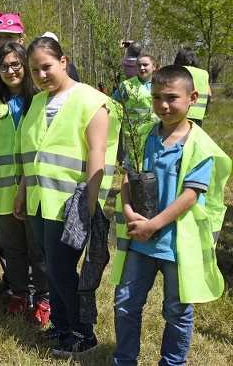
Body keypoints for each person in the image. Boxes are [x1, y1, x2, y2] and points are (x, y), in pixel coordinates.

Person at [110, 65, 231, 366]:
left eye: (171, 98)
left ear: (192, 98)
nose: (162, 105)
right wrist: (127, 210)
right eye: (156, 98)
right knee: (125, 302)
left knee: (177, 310)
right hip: (141, 241)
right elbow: (129, 177)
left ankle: (173, 362)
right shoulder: (145, 135)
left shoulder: (199, 145)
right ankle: (124, 360)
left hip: (176, 245)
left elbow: (190, 195)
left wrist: (154, 224)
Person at [16, 36, 120, 356]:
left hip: (70, 205)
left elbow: (97, 153)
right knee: (50, 267)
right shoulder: (36, 102)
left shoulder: (91, 101)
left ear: (63, 61)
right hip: (38, 201)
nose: (41, 75)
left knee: (62, 269)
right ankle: (60, 327)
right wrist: (22, 191)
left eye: (46, 67)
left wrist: (90, 208)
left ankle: (83, 332)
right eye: (34, 70)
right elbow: (31, 153)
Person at [0, 43, 49, 326]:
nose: (11, 71)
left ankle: (43, 297)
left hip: (35, 191)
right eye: (4, 66)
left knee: (38, 249)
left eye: (16, 64)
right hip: (2, 194)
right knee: (12, 248)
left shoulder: (41, 102)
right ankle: (18, 293)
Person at [114, 53, 158, 126]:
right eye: (139, 65)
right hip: (133, 134)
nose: (142, 68)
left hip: (155, 134)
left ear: (154, 67)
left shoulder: (162, 84)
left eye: (145, 65)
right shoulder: (126, 85)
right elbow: (114, 106)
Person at [174, 46, 212, 125]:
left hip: (180, 114)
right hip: (199, 115)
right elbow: (209, 94)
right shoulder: (204, 73)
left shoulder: (179, 71)